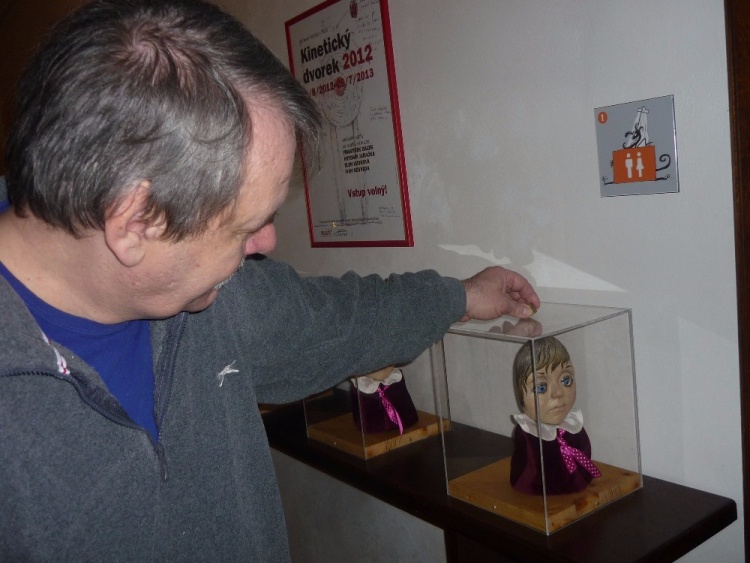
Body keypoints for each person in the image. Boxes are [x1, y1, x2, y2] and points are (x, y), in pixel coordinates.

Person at [0, 0, 540, 560]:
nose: (266, 243)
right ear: (135, 223)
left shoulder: (223, 297)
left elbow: (339, 319)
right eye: (246, 227)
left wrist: (461, 295)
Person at [509, 336, 601, 495]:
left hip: (578, 489)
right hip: (537, 495)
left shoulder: (573, 426)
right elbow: (529, 470)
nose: (558, 393)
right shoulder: (528, 435)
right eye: (541, 387)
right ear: (520, 396)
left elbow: (585, 450)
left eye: (566, 380)